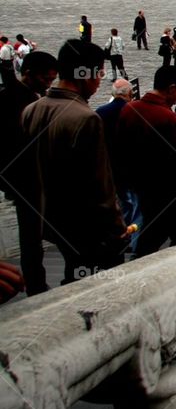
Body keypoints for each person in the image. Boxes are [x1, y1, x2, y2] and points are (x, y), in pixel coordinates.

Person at [19, 41, 127, 291]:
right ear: (85, 73)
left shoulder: (31, 110)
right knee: (97, 288)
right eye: (99, 74)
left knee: (74, 277)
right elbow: (100, 186)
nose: (99, 81)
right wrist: (117, 230)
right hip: (88, 227)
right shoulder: (85, 118)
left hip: (51, 220)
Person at [117, 66, 176, 257]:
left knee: (150, 234)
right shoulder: (169, 119)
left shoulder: (129, 109)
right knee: (170, 237)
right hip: (168, 193)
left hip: (139, 187)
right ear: (171, 88)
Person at [0, 51, 58, 295]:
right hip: (25, 180)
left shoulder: (33, 96)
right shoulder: (11, 99)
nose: (49, 84)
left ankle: (38, 282)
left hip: (37, 177)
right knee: (31, 238)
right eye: (45, 79)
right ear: (28, 74)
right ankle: (36, 285)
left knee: (36, 234)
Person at [95, 79, 141, 253]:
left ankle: (122, 234)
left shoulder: (101, 112)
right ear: (129, 94)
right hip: (130, 166)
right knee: (135, 205)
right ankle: (133, 240)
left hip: (110, 166)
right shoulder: (133, 110)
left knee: (122, 202)